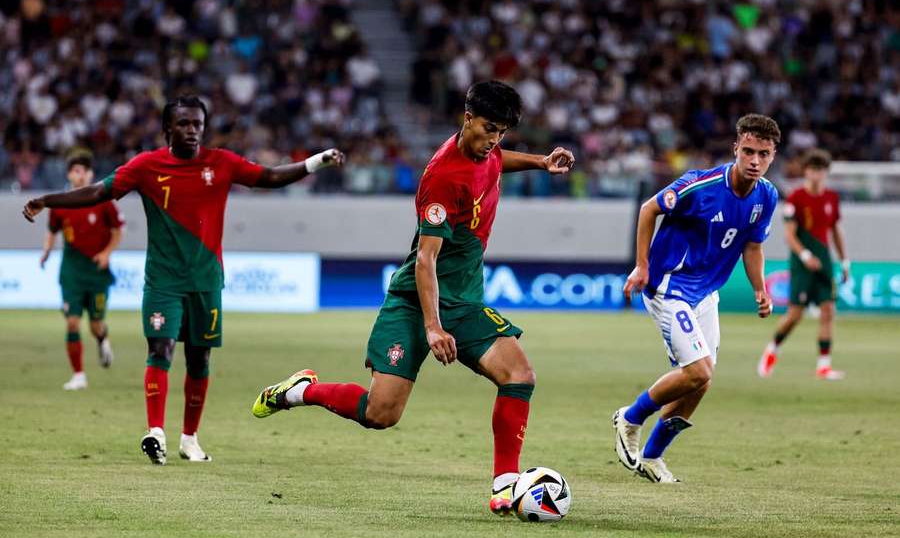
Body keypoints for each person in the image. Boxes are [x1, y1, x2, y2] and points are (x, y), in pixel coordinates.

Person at [250, 80, 575, 514]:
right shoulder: (443, 177)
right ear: (467, 118)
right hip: (415, 300)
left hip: (464, 300)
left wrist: (539, 161)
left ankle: (505, 485)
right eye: (489, 129)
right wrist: (433, 326)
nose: (494, 140)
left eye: (502, 132)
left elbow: (496, 161)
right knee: (380, 413)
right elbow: (425, 260)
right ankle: (301, 391)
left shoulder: (486, 149)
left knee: (519, 376)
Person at [23, 95, 345, 465]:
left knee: (199, 359)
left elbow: (268, 177)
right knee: (160, 350)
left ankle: (189, 440)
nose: (192, 130)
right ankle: (155, 431)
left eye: (198, 124)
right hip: (162, 281)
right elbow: (99, 191)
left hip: (206, 281)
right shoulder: (146, 167)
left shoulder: (220, 163)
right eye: (184, 124)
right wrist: (49, 200)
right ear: (167, 129)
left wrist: (316, 161)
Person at [615, 114, 780, 483]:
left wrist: (759, 288)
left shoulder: (766, 195)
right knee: (699, 369)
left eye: (763, 154)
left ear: (773, 156)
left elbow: (753, 247)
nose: (755, 161)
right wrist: (641, 266)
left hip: (706, 293)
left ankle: (653, 456)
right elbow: (648, 209)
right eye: (749, 151)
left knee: (702, 382)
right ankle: (629, 418)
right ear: (736, 148)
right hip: (669, 287)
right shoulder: (700, 186)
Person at [757, 149, 849, 380]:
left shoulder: (831, 198)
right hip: (801, 263)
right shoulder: (796, 197)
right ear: (806, 171)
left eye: (820, 170)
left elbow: (836, 231)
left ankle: (824, 365)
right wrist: (806, 255)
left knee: (828, 310)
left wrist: (844, 261)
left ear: (825, 173)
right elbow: (789, 235)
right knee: (795, 314)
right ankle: (772, 350)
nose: (815, 174)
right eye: (811, 169)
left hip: (824, 260)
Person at [40, 151, 123, 390]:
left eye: (83, 171)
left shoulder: (104, 202)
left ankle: (102, 339)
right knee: (73, 322)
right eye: (75, 171)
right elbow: (52, 231)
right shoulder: (60, 205)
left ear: (90, 174)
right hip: (72, 272)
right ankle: (79, 375)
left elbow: (118, 231)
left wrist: (107, 253)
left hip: (97, 272)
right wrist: (46, 251)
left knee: (96, 324)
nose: (79, 175)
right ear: (69, 174)